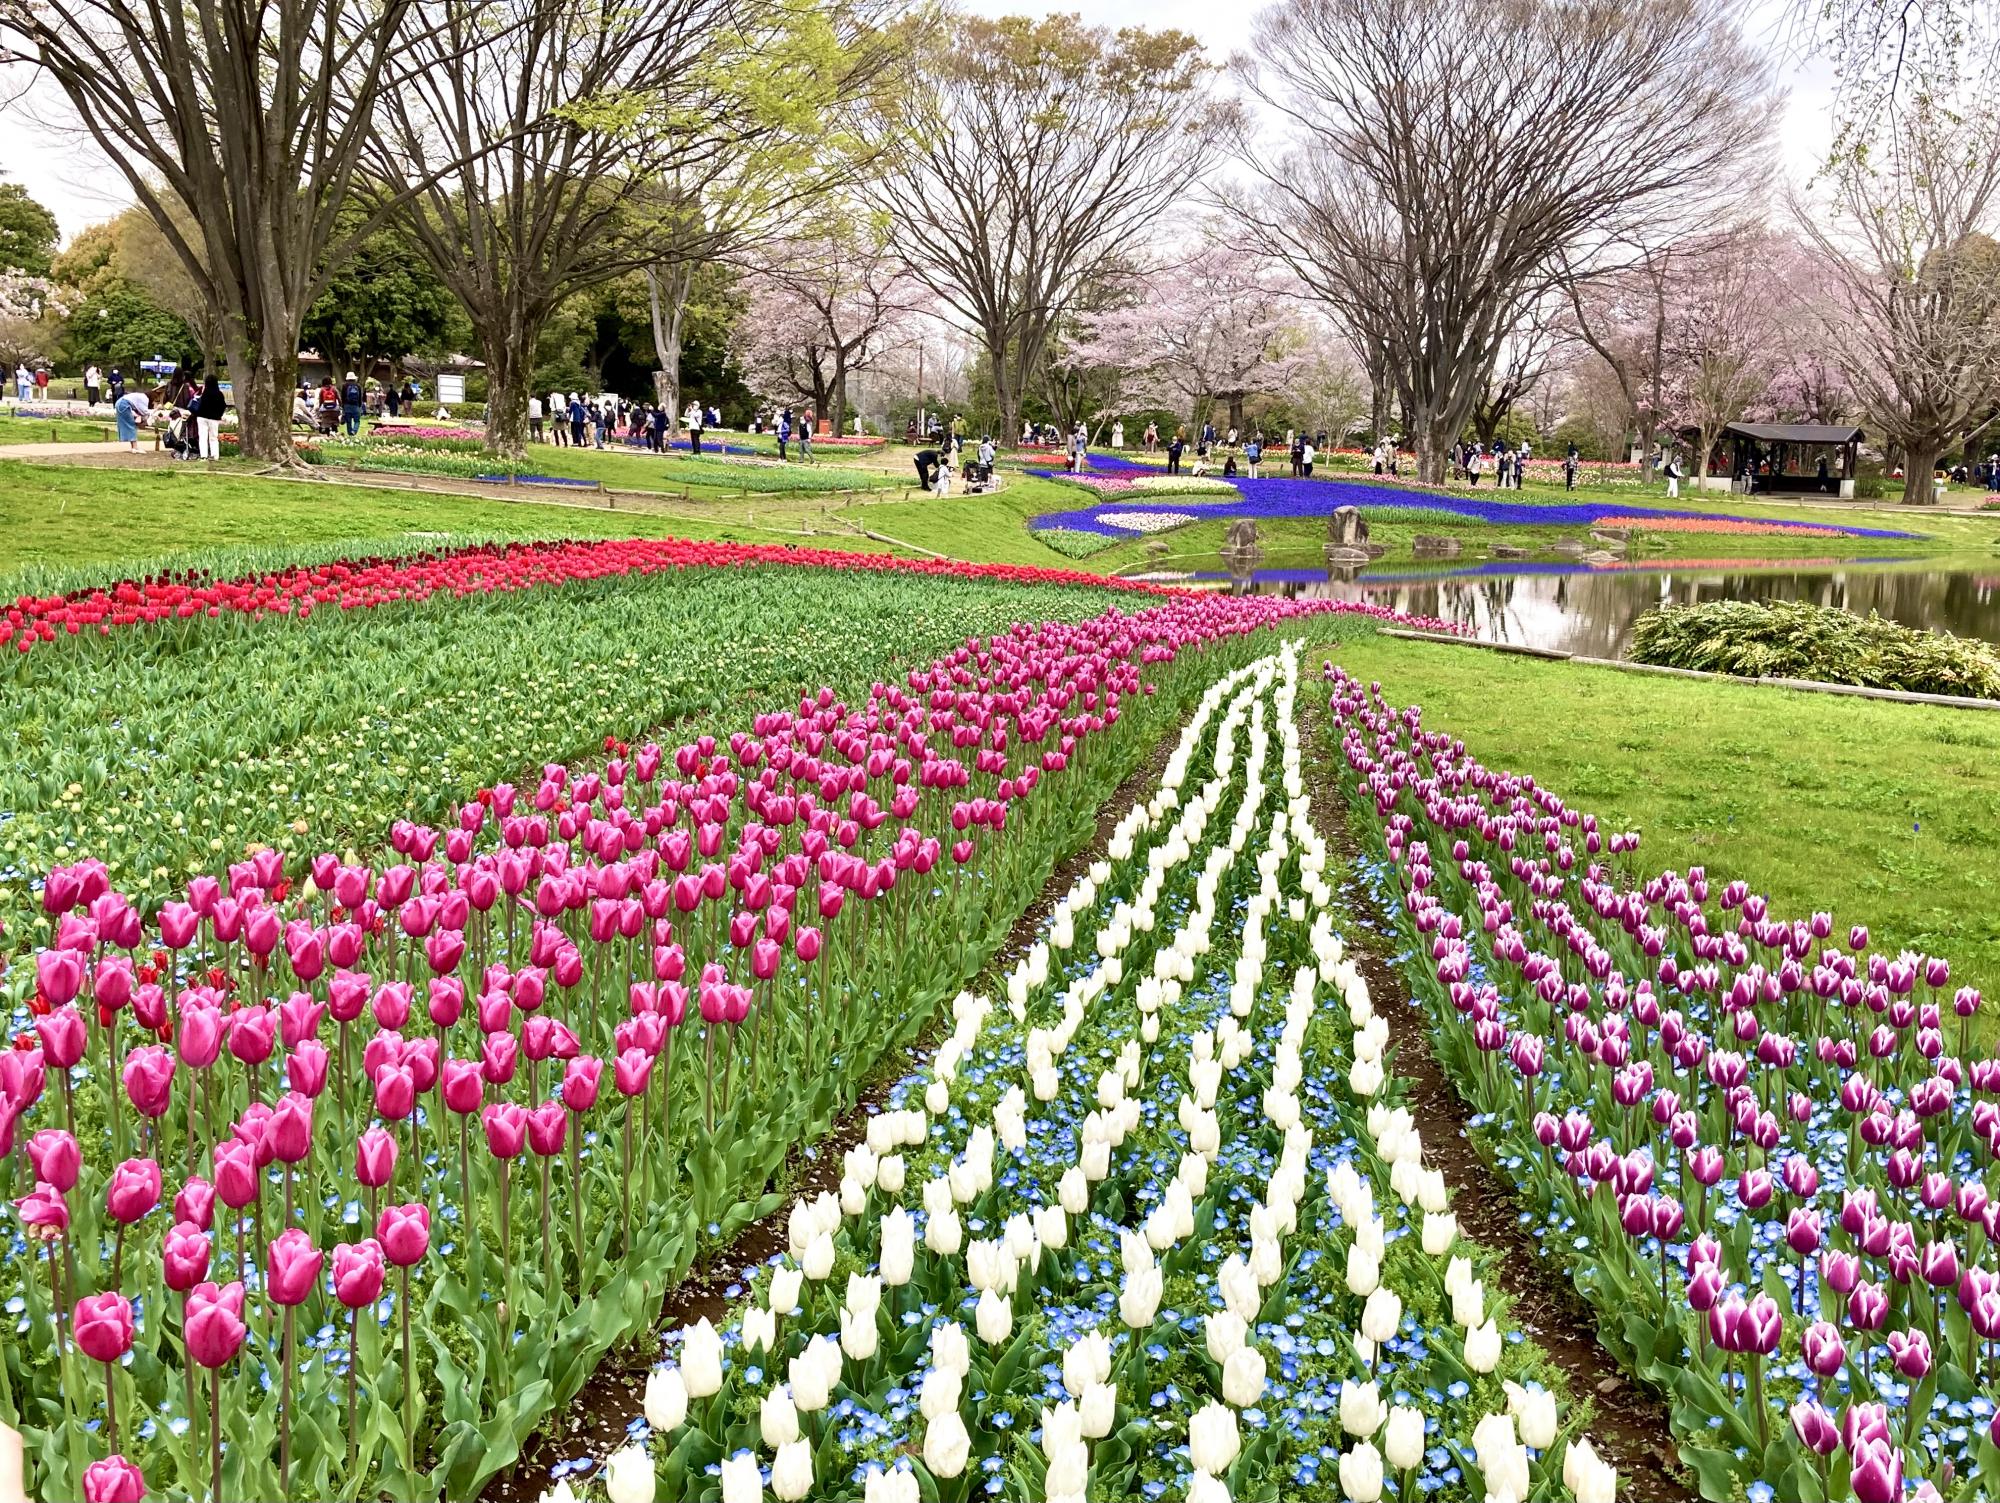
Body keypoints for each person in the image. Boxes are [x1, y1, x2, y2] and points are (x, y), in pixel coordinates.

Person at [193, 372, 226, 460]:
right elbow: (223, 406)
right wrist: (219, 415)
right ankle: (215, 455)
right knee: (214, 437)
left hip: (202, 417)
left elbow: (199, 405)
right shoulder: (219, 394)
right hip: (214, 418)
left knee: (203, 437)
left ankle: (204, 455)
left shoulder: (204, 394)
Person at [113, 385, 152, 452]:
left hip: (120, 404)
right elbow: (144, 411)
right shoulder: (144, 398)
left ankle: (134, 446)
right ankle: (135, 447)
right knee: (131, 425)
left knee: (130, 424)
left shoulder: (139, 396)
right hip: (124, 405)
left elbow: (139, 410)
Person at [339, 371, 364, 435]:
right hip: (356, 406)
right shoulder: (358, 386)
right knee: (357, 421)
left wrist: (343, 406)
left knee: (348, 421)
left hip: (347, 405)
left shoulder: (345, 385)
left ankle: (350, 433)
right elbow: (360, 397)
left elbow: (342, 396)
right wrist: (360, 405)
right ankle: (354, 431)